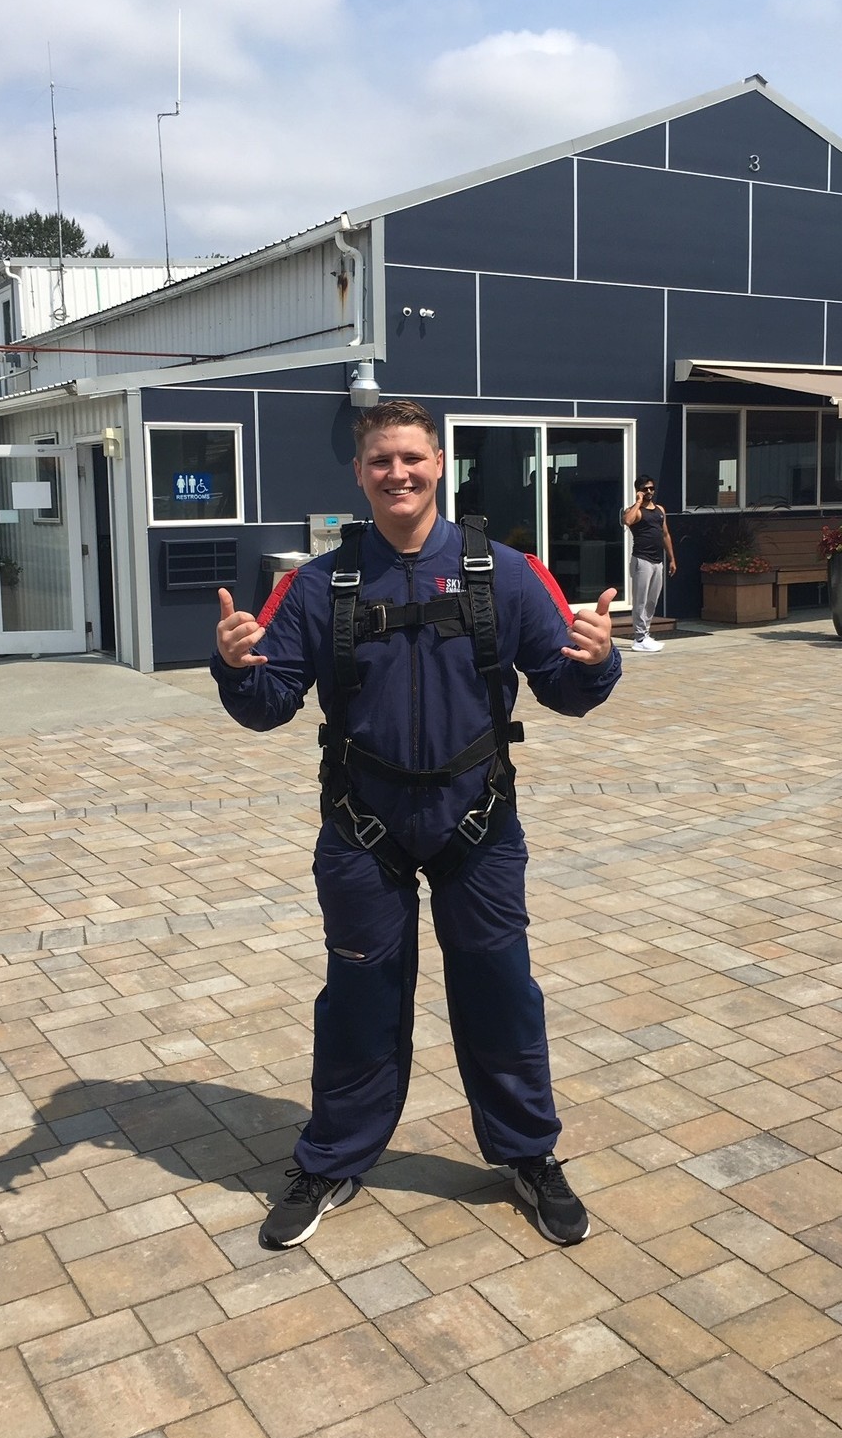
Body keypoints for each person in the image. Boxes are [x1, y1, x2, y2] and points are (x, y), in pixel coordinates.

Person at [212, 399, 621, 1251]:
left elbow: (563, 686)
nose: (397, 474)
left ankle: (529, 1154)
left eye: (411, 458)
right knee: (358, 999)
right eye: (379, 463)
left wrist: (598, 659)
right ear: (360, 475)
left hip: (479, 826)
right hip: (364, 827)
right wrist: (237, 667)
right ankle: (333, 1157)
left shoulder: (508, 573)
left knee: (502, 993)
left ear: (440, 462)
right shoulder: (319, 584)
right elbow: (270, 703)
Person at [622, 474, 676, 652]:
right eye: (645, 489)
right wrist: (638, 501)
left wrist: (672, 559)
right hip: (641, 560)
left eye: (651, 488)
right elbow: (627, 521)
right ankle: (638, 638)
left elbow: (665, 534)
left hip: (657, 561)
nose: (649, 491)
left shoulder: (660, 510)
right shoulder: (635, 511)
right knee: (640, 600)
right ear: (639, 490)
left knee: (652, 600)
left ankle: (645, 633)